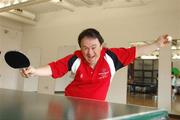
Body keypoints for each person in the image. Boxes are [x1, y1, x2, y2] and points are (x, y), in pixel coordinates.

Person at [21, 28, 170, 101]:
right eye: (85, 48)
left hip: (97, 107)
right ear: (80, 48)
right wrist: (34, 71)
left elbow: (135, 51)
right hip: (71, 103)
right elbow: (54, 67)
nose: (90, 53)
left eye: (93, 47)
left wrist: (157, 44)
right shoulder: (76, 59)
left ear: (101, 46)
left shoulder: (111, 57)